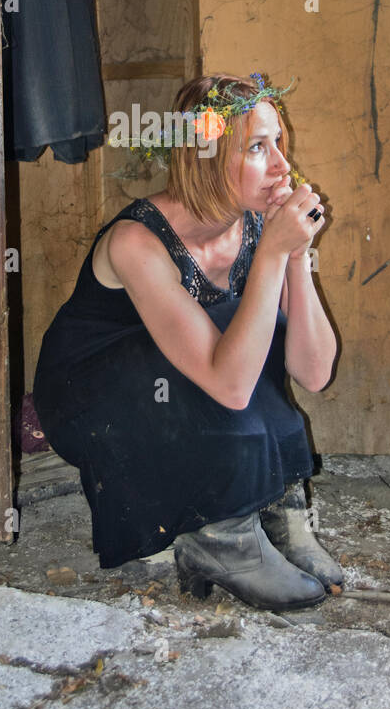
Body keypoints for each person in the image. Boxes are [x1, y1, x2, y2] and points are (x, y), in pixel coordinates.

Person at [32, 72, 342, 610]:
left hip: (187, 376)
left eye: (279, 144)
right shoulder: (137, 241)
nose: (281, 167)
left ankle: (278, 511)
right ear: (206, 157)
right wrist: (271, 254)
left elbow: (314, 372)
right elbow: (228, 384)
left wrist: (293, 256)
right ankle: (224, 540)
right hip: (97, 393)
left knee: (250, 329)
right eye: (256, 148)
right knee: (220, 353)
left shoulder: (252, 224)